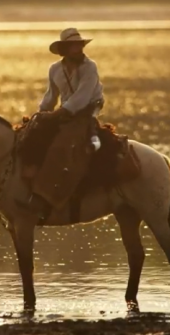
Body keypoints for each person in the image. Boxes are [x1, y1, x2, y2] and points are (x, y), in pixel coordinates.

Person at [17, 28, 105, 219]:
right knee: (31, 135)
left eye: (79, 45)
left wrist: (60, 113)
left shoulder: (89, 67)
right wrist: (41, 114)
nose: (78, 49)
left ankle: (46, 196)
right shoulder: (55, 69)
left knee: (62, 145)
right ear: (64, 49)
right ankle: (28, 177)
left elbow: (83, 95)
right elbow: (51, 96)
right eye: (74, 46)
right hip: (65, 111)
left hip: (87, 109)